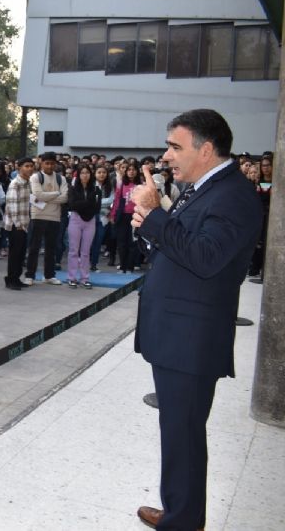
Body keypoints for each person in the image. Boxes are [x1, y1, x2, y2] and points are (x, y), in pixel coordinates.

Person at [130, 109, 261, 531]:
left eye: (175, 146)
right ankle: (180, 510)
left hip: (190, 337)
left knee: (183, 432)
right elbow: (182, 245)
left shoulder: (233, 195)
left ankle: (183, 522)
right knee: (178, 430)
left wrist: (153, 216)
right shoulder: (204, 187)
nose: (167, 155)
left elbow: (206, 258)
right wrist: (153, 222)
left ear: (205, 150)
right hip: (177, 329)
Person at [24, 152, 67, 285]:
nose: (49, 166)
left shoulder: (61, 179)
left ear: (56, 164)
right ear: (41, 163)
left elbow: (65, 198)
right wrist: (56, 194)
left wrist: (47, 197)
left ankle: (49, 275)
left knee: (51, 248)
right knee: (34, 247)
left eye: (52, 163)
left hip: (55, 217)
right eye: (47, 163)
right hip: (38, 216)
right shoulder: (35, 177)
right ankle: (30, 275)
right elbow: (38, 195)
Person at [65, 165, 101, 289]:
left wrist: (85, 204)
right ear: (78, 175)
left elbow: (97, 208)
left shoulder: (96, 189)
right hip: (75, 219)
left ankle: (85, 278)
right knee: (74, 250)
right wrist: (88, 203)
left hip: (90, 220)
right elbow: (72, 205)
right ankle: (72, 277)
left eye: (87, 173)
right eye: (82, 173)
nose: (85, 175)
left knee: (85, 252)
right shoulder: (73, 189)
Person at [3, 158, 35, 290]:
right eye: (27, 166)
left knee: (21, 253)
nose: (30, 169)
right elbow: (12, 205)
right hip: (16, 225)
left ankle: (16, 278)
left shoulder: (28, 183)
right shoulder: (15, 183)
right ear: (19, 168)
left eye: (32, 166)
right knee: (15, 254)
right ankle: (10, 279)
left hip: (24, 224)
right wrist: (18, 224)